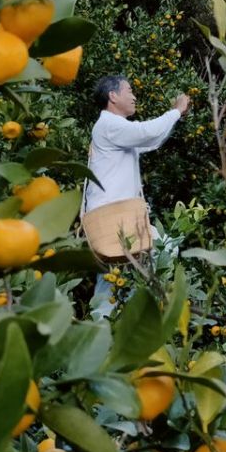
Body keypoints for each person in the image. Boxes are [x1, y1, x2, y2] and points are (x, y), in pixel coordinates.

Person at [81, 74, 189, 313]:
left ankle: (101, 332)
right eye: (129, 90)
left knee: (111, 279)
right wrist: (176, 111)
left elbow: (152, 141)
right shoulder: (109, 124)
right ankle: (152, 308)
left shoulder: (115, 129)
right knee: (164, 247)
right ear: (113, 96)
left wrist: (176, 117)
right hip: (115, 219)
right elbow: (145, 132)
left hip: (115, 219)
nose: (134, 95)